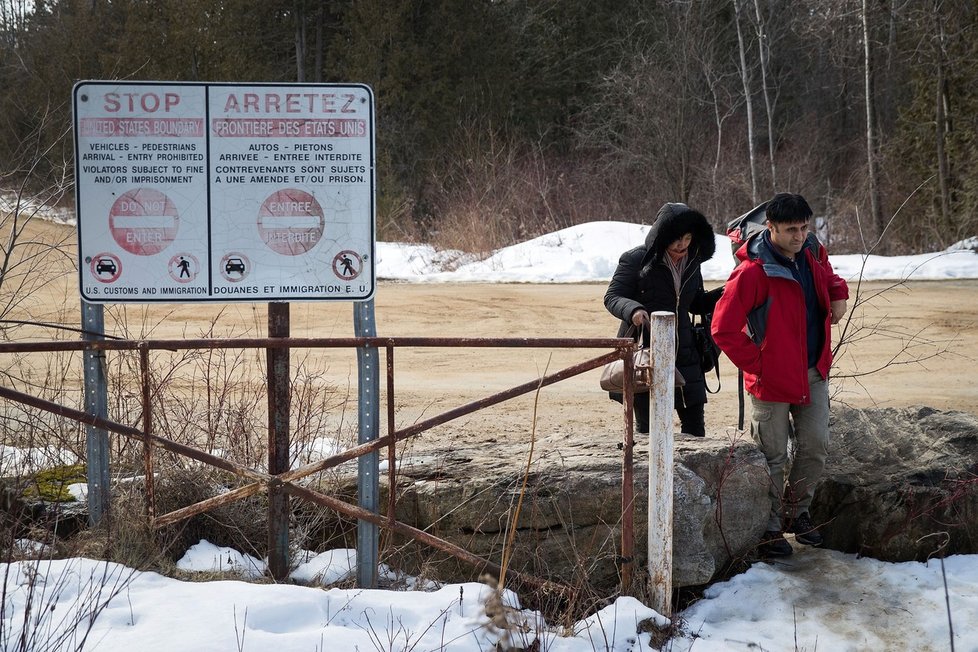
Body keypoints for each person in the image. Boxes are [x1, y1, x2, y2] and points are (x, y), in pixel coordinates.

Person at [711, 193, 849, 557]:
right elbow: (722, 329)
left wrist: (837, 294)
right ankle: (768, 529)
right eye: (791, 230)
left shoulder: (812, 252)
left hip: (813, 373)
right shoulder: (753, 272)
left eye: (805, 228)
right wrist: (759, 364)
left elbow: (830, 274)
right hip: (770, 382)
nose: (800, 236)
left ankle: (796, 514)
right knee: (771, 458)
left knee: (815, 446)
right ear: (770, 227)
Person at [604, 202, 723, 437]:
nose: (682, 245)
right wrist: (634, 310)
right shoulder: (635, 259)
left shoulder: (692, 262)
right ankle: (646, 475)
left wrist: (723, 294)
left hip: (687, 356)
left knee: (695, 430)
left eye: (688, 238)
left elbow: (695, 302)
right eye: (676, 239)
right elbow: (613, 296)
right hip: (646, 354)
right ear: (662, 236)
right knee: (649, 432)